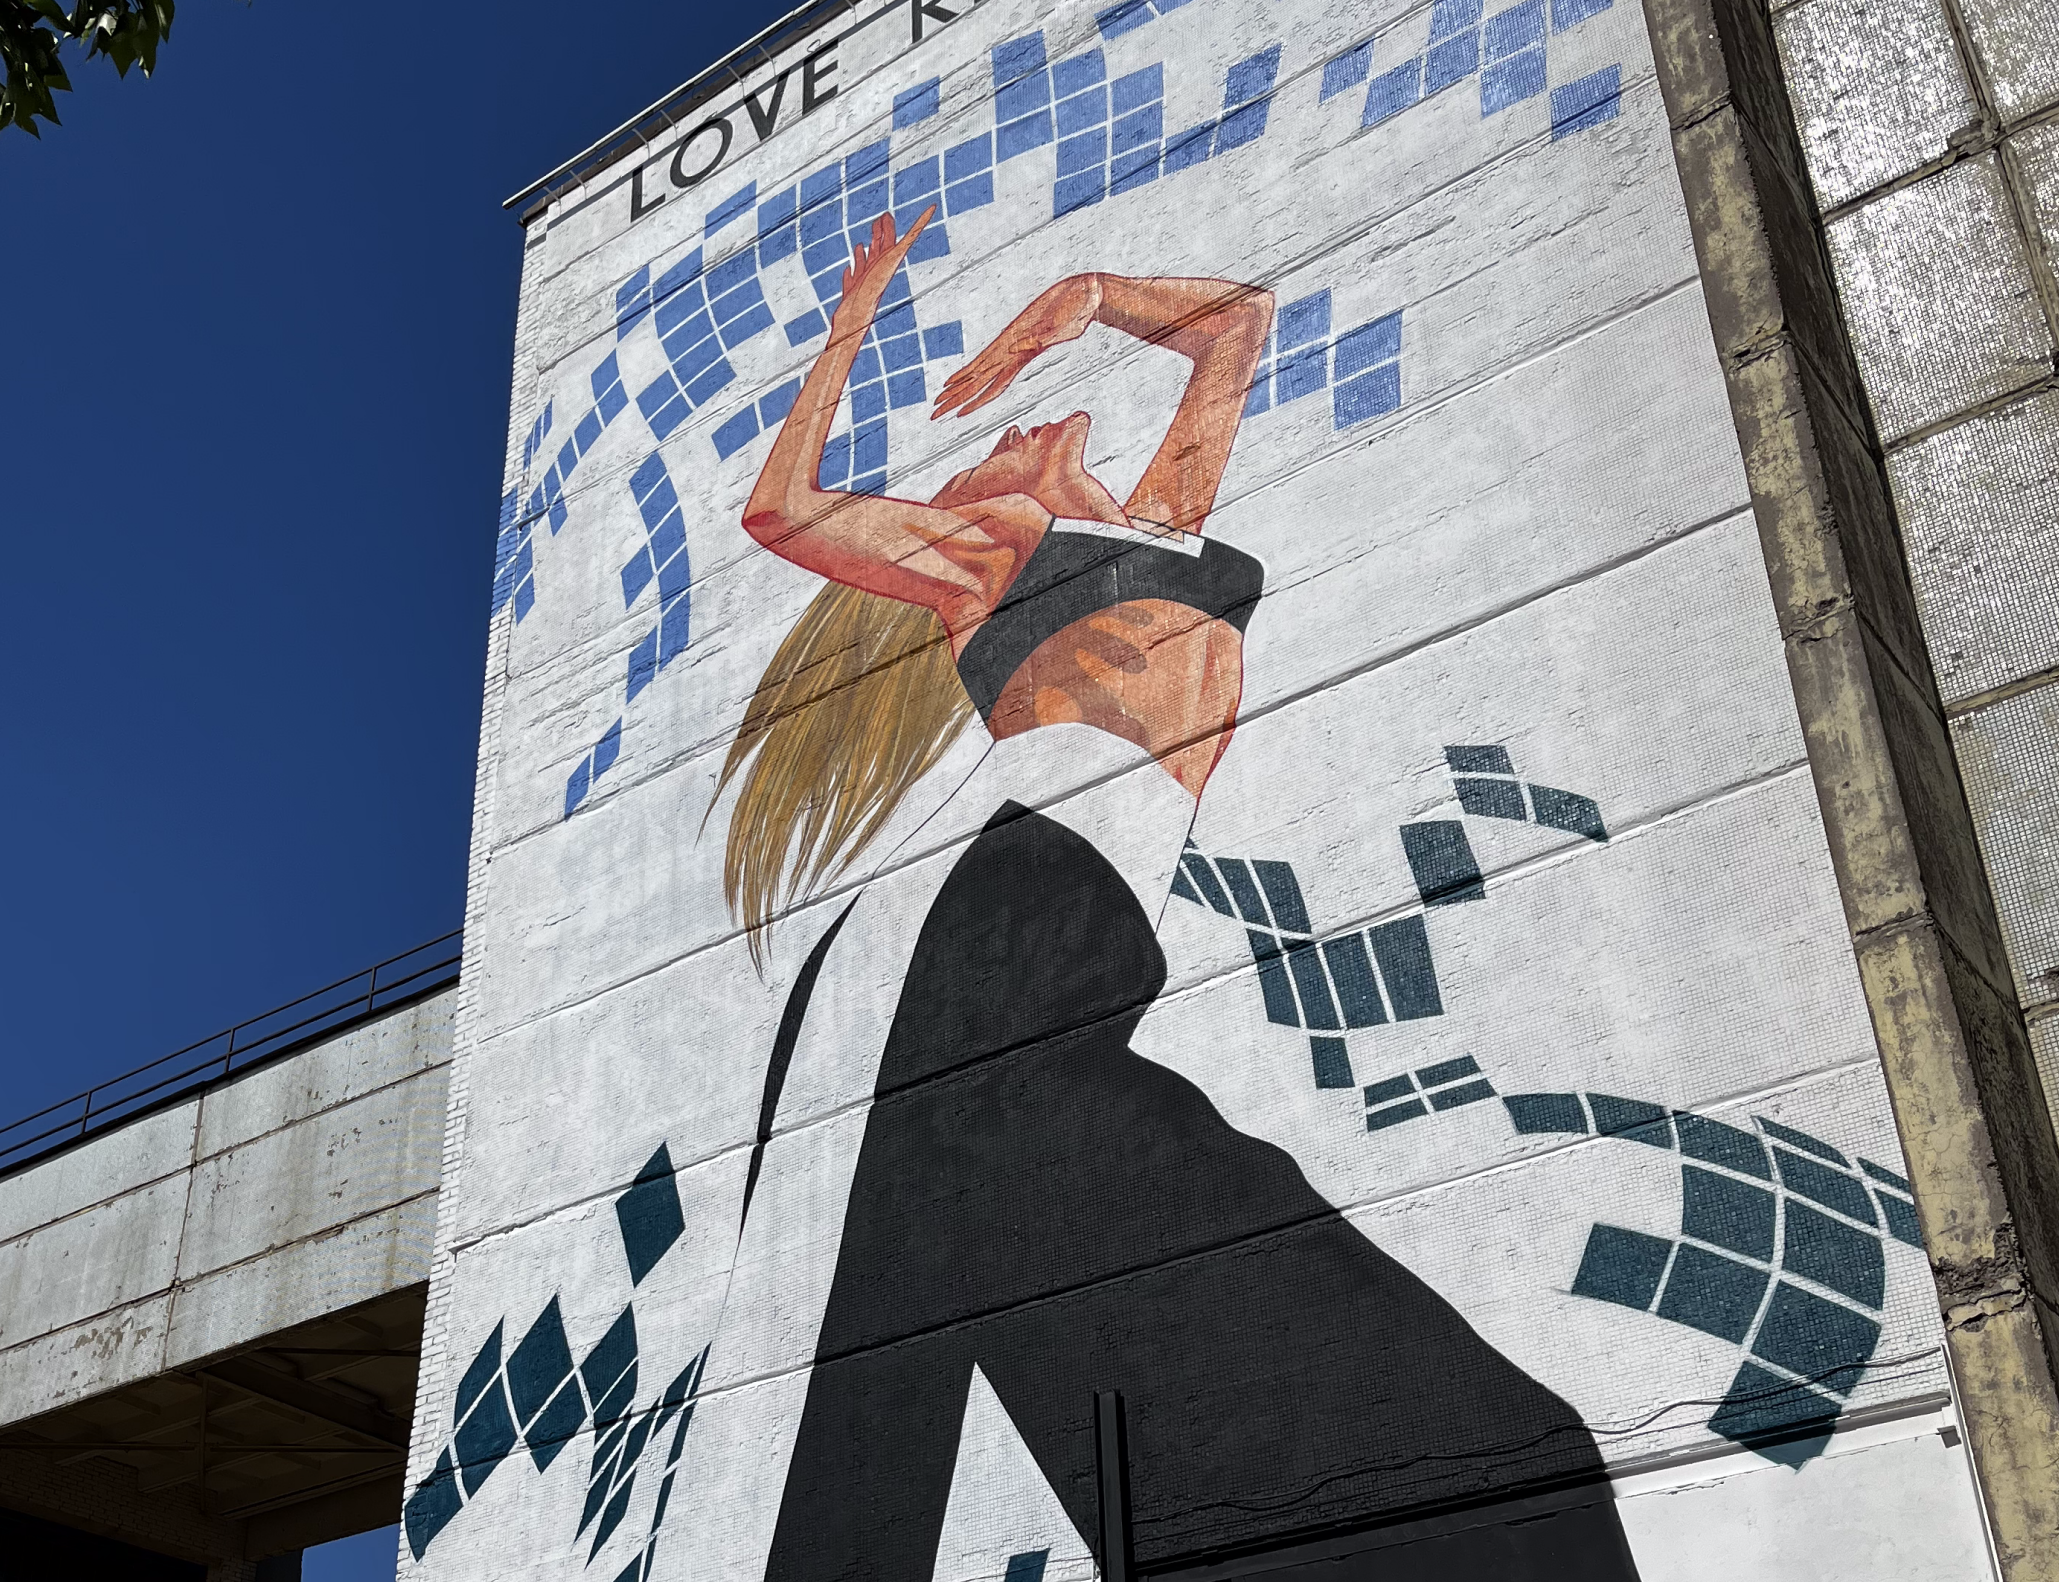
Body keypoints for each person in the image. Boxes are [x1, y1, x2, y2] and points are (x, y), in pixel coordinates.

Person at [718, 211, 1641, 1578]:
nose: (1022, 429)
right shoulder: (993, 550)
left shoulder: (1159, 524)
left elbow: (1233, 325)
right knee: (878, 1376)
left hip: (1079, 964)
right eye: (992, 447)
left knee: (1486, 1449)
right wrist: (852, 318)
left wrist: (1091, 294)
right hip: (1001, 923)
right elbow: (781, 508)